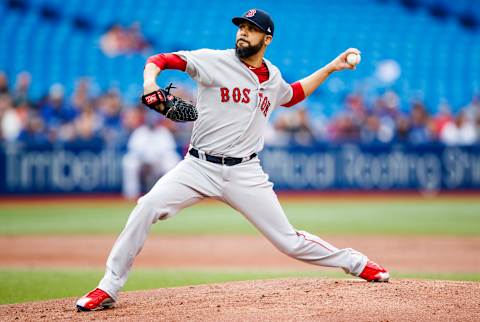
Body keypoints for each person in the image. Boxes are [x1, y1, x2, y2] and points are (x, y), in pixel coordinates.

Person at [76, 9, 389, 311]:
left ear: (267, 39)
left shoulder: (272, 75)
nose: (243, 32)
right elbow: (159, 59)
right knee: (146, 206)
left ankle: (356, 263)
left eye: (251, 29)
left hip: (245, 172)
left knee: (288, 241)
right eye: (241, 27)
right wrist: (150, 83)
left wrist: (331, 67)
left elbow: (292, 95)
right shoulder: (214, 61)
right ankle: (108, 286)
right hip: (198, 166)